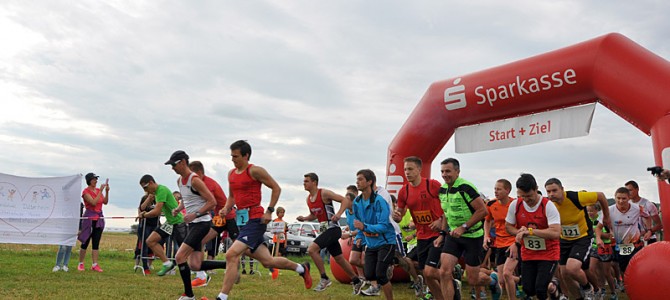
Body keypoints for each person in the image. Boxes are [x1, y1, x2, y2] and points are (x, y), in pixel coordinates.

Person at [216, 140, 312, 300]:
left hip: (256, 219)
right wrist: (226, 208)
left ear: (246, 156)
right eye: (231, 156)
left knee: (231, 255)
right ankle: (301, 269)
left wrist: (269, 211)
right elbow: (232, 197)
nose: (233, 159)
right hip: (243, 221)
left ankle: (222, 297)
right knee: (267, 261)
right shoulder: (231, 174)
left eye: (236, 156)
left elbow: (276, 188)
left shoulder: (255, 171)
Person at [164, 150, 228, 300]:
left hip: (202, 223)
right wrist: (178, 209)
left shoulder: (195, 180)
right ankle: (228, 265)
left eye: (174, 165)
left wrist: (195, 214)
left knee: (180, 256)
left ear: (183, 162)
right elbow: (187, 199)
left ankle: (189, 295)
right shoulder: (179, 181)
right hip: (192, 224)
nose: (172, 168)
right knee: (195, 265)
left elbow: (212, 202)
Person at [436, 158, 498, 300]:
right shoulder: (442, 189)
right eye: (442, 171)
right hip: (454, 236)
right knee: (444, 272)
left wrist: (464, 227)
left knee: (472, 280)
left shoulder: (466, 187)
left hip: (473, 236)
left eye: (448, 171)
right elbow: (446, 212)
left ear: (457, 171)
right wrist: (442, 233)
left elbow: (483, 211)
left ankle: (493, 280)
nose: (445, 175)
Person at [544, 178, 611, 300]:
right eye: (548, 192)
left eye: (554, 190)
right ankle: (579, 297)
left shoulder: (576, 197)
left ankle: (589, 289)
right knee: (565, 273)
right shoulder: (549, 205)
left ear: (562, 189)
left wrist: (606, 216)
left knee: (573, 268)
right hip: (565, 239)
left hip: (583, 237)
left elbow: (600, 195)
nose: (551, 194)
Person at [297, 172, 363, 293]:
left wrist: (338, 214)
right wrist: (305, 218)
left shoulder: (324, 193)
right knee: (339, 259)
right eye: (303, 181)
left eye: (306, 181)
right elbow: (314, 214)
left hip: (333, 229)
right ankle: (356, 281)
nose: (304, 183)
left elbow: (345, 200)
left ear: (314, 182)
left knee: (312, 249)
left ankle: (324, 278)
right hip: (324, 229)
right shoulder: (308, 199)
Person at [393, 156, 444, 299]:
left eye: (410, 169)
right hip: (421, 236)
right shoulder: (404, 191)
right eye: (405, 169)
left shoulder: (432, 185)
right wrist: (397, 216)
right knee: (425, 274)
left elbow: (447, 205)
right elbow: (401, 212)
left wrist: (440, 220)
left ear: (419, 169)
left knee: (429, 271)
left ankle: (449, 280)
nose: (407, 172)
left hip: (437, 234)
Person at [505, 173, 561, 300]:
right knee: (528, 289)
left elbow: (555, 232)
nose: (526, 199)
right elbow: (508, 227)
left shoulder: (547, 206)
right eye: (522, 196)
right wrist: (519, 232)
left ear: (536, 189)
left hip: (548, 253)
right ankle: (554, 286)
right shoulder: (516, 204)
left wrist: (530, 232)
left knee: (540, 289)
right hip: (528, 253)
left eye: (529, 196)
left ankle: (553, 288)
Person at [189, 161, 239, 288]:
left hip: (229, 216)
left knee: (239, 246)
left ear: (199, 173)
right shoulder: (200, 183)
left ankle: (236, 269)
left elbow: (211, 202)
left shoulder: (208, 184)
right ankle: (200, 274)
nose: (190, 178)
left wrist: (196, 214)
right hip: (218, 219)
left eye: (192, 174)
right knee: (200, 241)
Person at [353, 169, 396, 300]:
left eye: (360, 179)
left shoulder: (380, 201)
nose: (357, 182)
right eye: (357, 179)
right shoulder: (357, 202)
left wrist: (364, 227)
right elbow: (359, 223)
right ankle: (391, 263)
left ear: (369, 182)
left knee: (381, 275)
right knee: (370, 275)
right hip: (371, 244)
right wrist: (360, 236)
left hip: (386, 242)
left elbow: (383, 226)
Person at [596, 187, 651, 284]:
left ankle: (638, 284)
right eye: (618, 198)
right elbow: (598, 228)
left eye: (624, 198)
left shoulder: (637, 208)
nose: (621, 201)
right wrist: (598, 238)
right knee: (623, 267)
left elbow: (647, 217)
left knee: (636, 265)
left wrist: (649, 230)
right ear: (615, 198)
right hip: (620, 245)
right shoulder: (609, 211)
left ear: (629, 198)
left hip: (636, 243)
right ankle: (627, 285)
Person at [139, 175, 188, 278]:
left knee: (186, 251)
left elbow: (156, 212)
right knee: (150, 241)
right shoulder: (156, 193)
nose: (146, 190)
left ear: (151, 183)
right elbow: (161, 209)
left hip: (178, 223)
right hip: (170, 222)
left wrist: (144, 215)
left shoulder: (161, 190)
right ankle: (167, 264)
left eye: (145, 187)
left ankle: (201, 274)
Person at [484, 179, 517, 300]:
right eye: (495, 189)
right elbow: (487, 221)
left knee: (507, 274)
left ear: (507, 190)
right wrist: (486, 236)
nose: (495, 191)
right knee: (502, 279)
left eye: (499, 189)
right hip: (500, 243)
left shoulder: (515, 204)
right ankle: (522, 281)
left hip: (514, 243)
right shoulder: (491, 204)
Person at [77, 172, 109, 272]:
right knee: (85, 242)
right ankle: (81, 263)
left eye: (96, 179)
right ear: (89, 180)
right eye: (94, 179)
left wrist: (107, 192)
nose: (96, 181)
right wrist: (101, 191)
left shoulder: (99, 190)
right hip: (89, 219)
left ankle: (95, 264)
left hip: (99, 219)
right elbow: (93, 203)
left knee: (96, 242)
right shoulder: (85, 192)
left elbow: (105, 202)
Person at [586, 204, 617, 300]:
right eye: (588, 211)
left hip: (605, 247)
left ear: (597, 211)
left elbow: (609, 236)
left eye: (591, 211)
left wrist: (597, 232)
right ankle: (598, 289)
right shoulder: (588, 220)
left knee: (606, 272)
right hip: (594, 247)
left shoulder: (602, 220)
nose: (589, 213)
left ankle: (613, 292)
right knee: (591, 269)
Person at [54, 203, 83, 272]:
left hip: (73, 227)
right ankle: (57, 265)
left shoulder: (80, 204)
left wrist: (80, 228)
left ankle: (65, 265)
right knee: (62, 247)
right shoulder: (64, 203)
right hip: (64, 226)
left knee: (69, 247)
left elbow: (80, 217)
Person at [136, 194, 160, 275]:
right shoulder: (145, 198)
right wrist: (148, 199)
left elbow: (160, 210)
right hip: (145, 225)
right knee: (145, 245)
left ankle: (150, 264)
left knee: (154, 244)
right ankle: (145, 266)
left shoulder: (157, 199)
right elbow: (141, 208)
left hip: (155, 225)